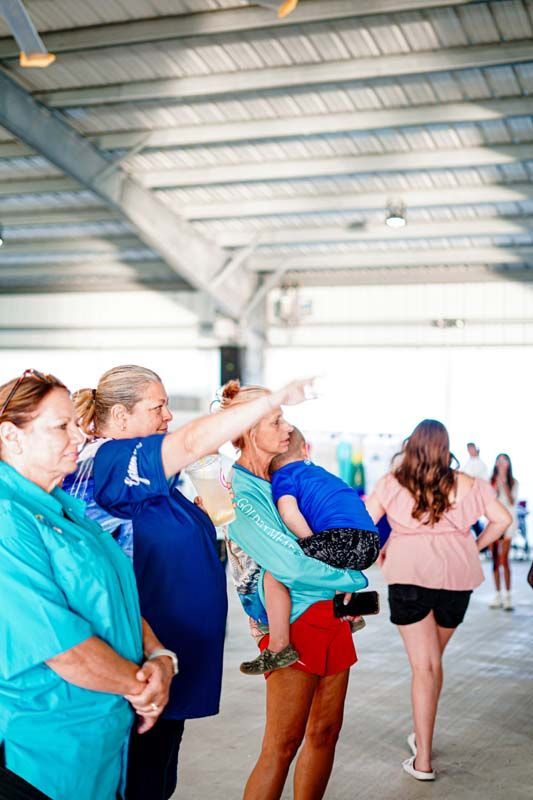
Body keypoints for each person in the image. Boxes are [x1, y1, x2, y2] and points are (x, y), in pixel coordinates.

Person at [64, 365, 312, 800]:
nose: (168, 416)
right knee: (138, 780)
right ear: (120, 416)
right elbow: (193, 442)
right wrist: (270, 401)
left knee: (158, 776)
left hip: (170, 655)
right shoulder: (109, 459)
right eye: (157, 407)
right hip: (140, 657)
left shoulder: (143, 474)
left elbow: (187, 516)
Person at [0, 370, 174, 800]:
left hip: (98, 744)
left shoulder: (63, 507)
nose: (79, 436)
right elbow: (61, 647)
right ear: (11, 436)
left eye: (76, 424)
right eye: (62, 426)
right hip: (41, 755)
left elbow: (115, 602)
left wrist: (160, 657)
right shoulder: (7, 518)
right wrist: (143, 688)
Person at [221, 380, 368, 800]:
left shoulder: (281, 478)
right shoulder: (240, 493)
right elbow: (289, 566)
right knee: (282, 745)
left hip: (331, 615)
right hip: (294, 622)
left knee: (325, 732)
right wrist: (354, 579)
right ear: (249, 431)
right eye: (275, 421)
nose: (287, 428)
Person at [365, 420, 511, 782]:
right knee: (432, 664)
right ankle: (421, 736)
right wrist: (474, 546)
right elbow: (502, 520)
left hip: (408, 575)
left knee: (425, 667)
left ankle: (423, 761)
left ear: (412, 445)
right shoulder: (470, 484)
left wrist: (381, 548)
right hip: (457, 580)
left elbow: (364, 525)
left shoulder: (392, 482)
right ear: (446, 447)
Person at [240, 426, 380, 676]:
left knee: (275, 573)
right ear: (305, 450)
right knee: (335, 562)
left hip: (341, 537)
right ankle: (352, 613)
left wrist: (309, 543)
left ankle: (279, 647)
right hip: (370, 541)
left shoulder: (284, 476)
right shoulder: (321, 473)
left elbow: (289, 513)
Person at [489, 453, 519, 611]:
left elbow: (512, 501)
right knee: (494, 560)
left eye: (504, 461)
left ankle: (508, 596)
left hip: (508, 523)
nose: (501, 463)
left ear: (508, 464)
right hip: (493, 523)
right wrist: (496, 483)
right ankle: (497, 594)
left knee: (504, 560)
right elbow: (489, 500)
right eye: (499, 461)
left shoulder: (514, 482)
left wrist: (504, 483)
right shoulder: (490, 481)